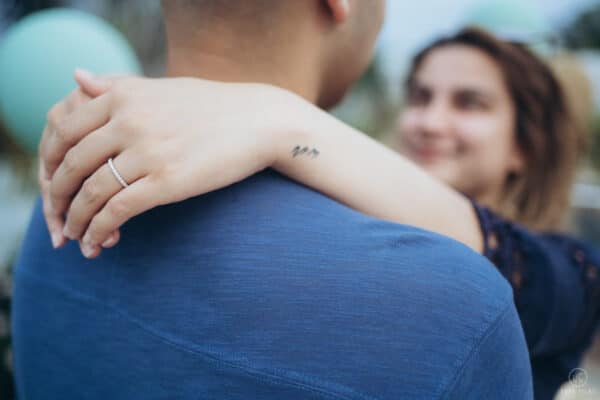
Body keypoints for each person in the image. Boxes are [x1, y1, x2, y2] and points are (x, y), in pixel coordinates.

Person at [37, 26, 600, 399]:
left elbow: (504, 257)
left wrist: (279, 118)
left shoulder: (574, 271)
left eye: (468, 103)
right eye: (420, 96)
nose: (429, 120)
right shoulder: (344, 225)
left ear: (524, 144)